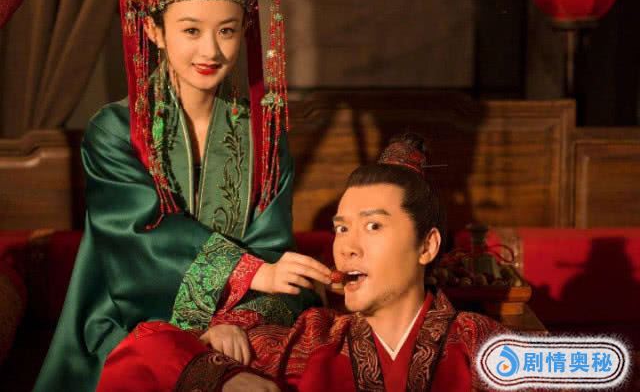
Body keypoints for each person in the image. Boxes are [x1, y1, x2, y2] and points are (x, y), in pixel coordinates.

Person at [34, 0, 331, 391]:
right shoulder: (115, 131)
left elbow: (272, 247)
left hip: (242, 322)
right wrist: (248, 273)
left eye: (226, 31)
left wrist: (233, 321)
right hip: (129, 322)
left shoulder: (264, 136)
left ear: (245, 28)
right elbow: (135, 241)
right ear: (154, 31)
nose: (210, 50)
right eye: (191, 30)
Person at [97, 133, 505, 391]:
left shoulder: (481, 343)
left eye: (373, 226)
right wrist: (222, 375)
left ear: (427, 246)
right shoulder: (311, 341)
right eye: (341, 228)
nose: (347, 247)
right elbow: (146, 348)